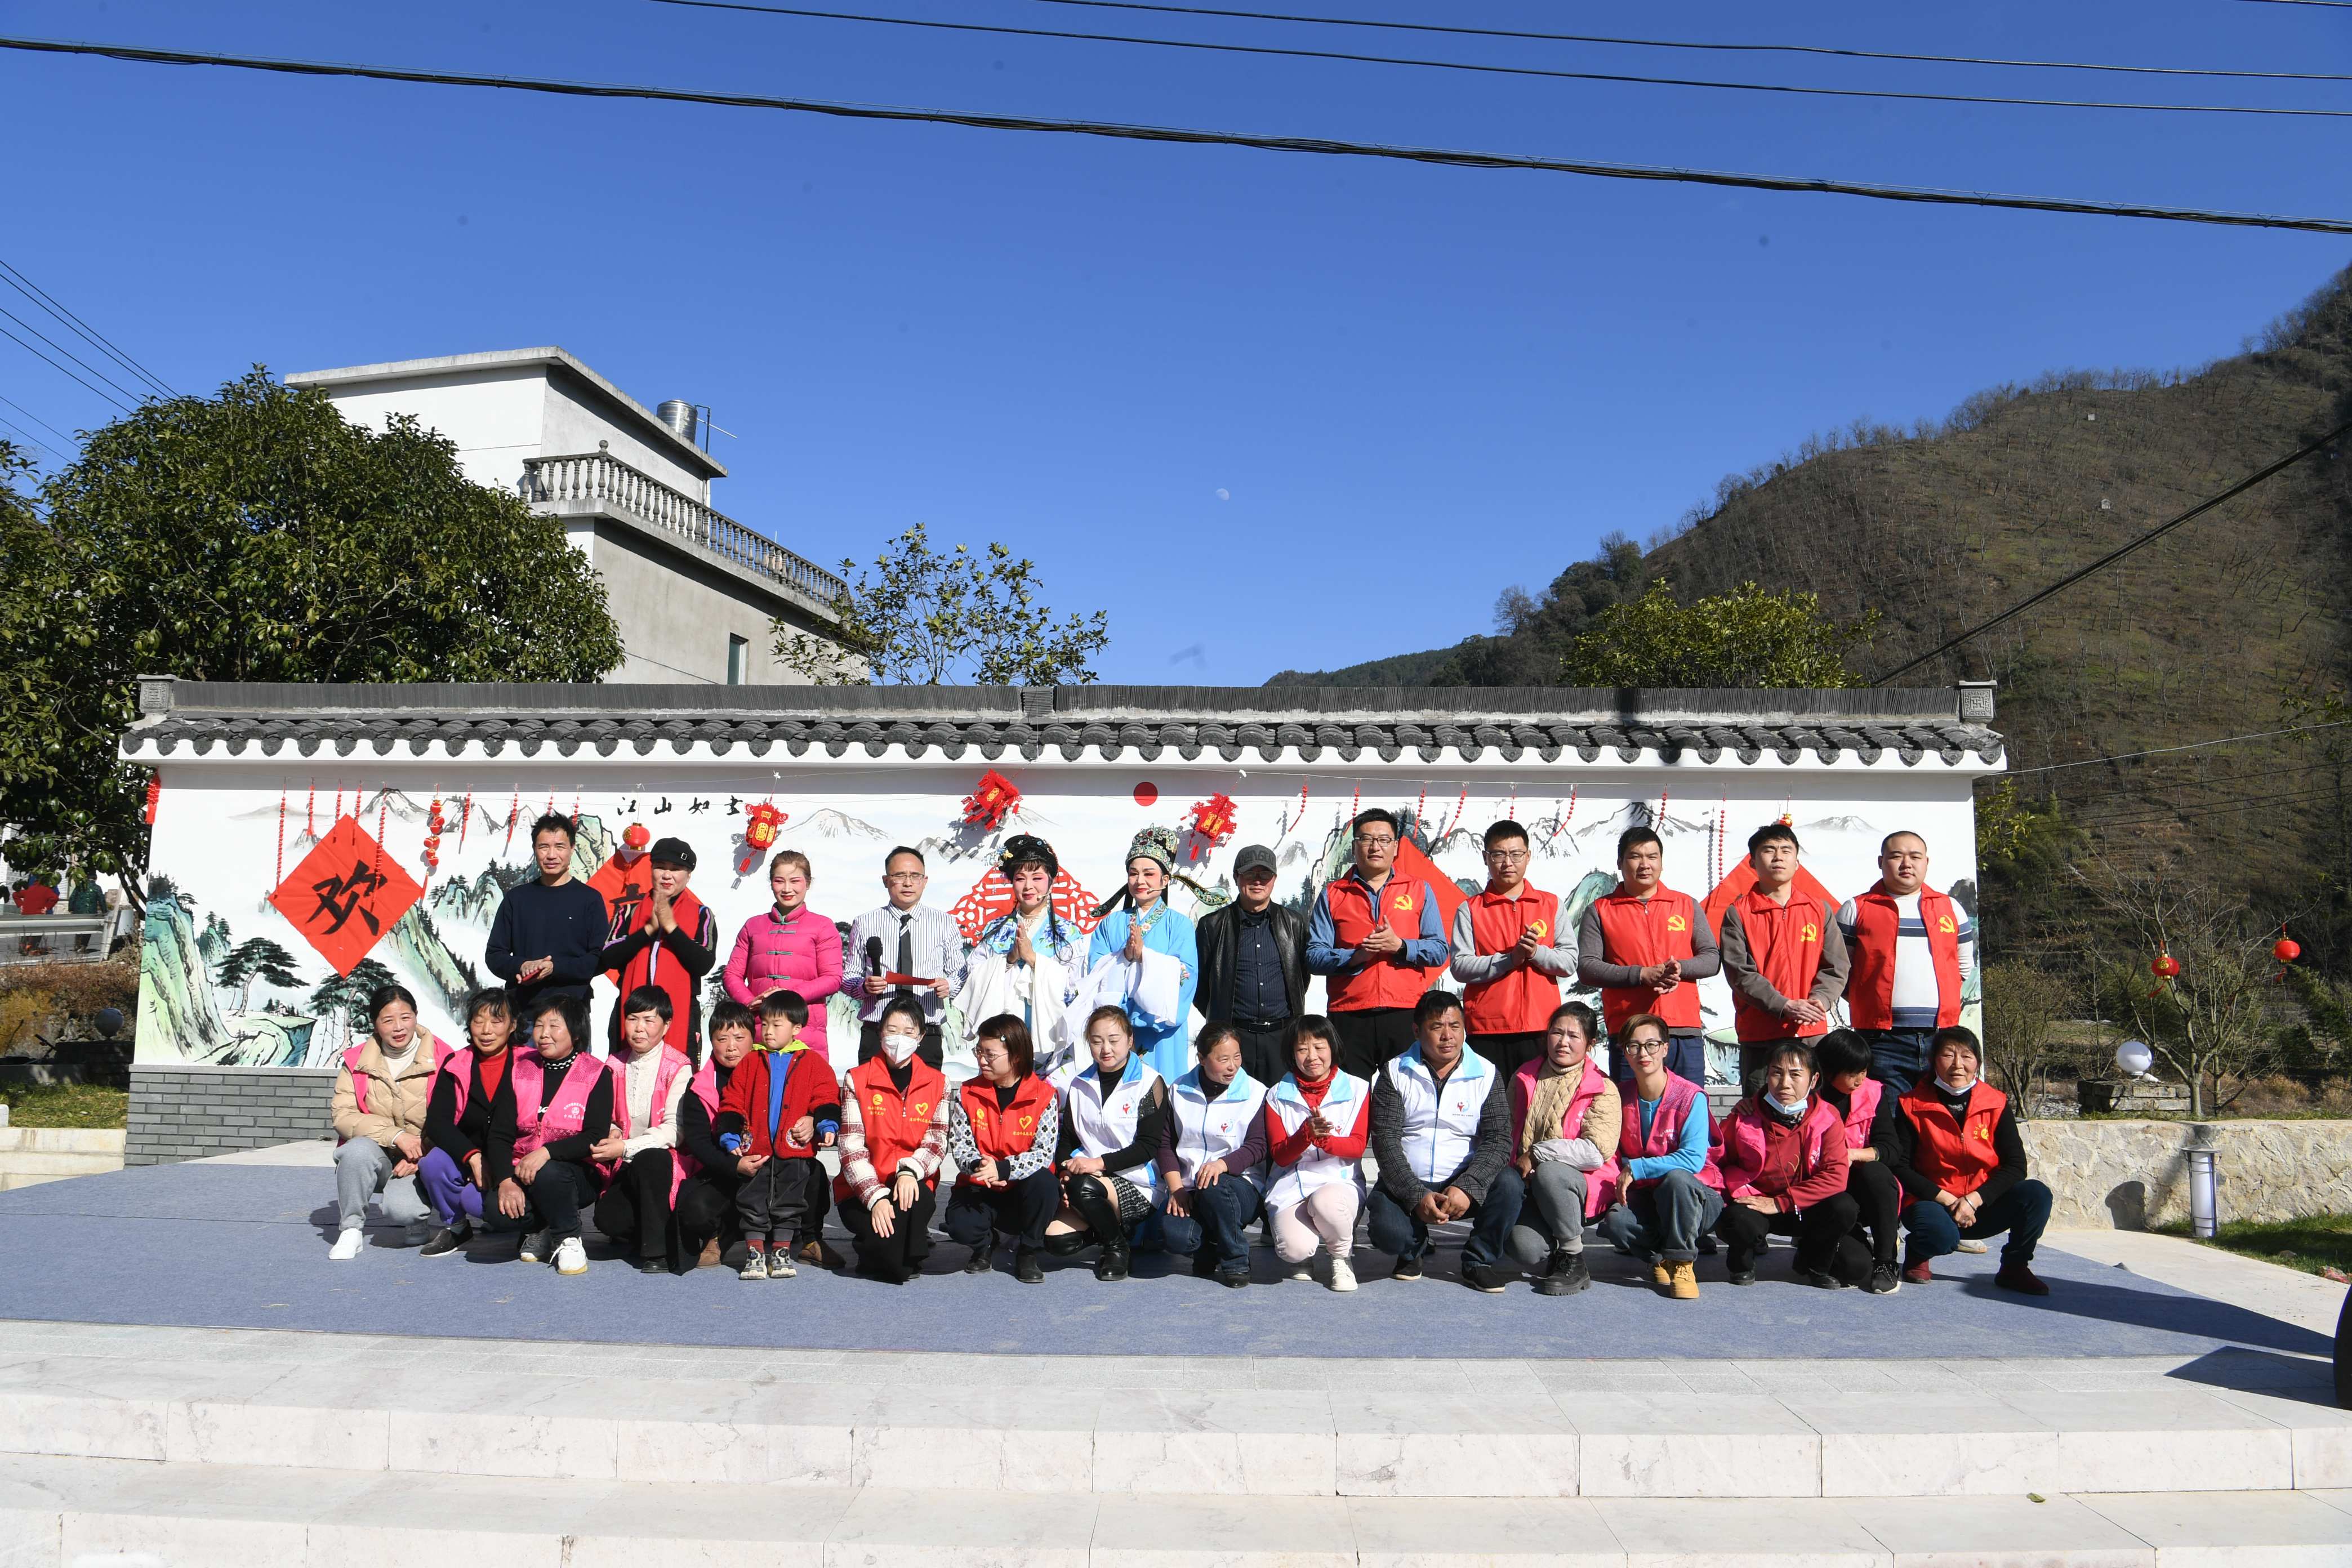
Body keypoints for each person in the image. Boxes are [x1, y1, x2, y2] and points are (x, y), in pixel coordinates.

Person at [1876, 1024, 2052, 1295]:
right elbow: (1900, 1166)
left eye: (1967, 1056)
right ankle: (1919, 1252)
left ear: (1977, 1063)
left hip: (1980, 1204)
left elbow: (2016, 1166)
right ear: (1933, 1061)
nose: (1958, 1065)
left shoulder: (1996, 1103)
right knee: (1941, 1237)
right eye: (1948, 1055)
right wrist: (1947, 1199)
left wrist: (1973, 1200)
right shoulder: (1910, 1105)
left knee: (2036, 1194)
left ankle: (2015, 1267)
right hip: (1932, 1202)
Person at [1368, 990, 1521, 1292]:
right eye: (1437, 1027)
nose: (1448, 1036)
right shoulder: (1394, 1071)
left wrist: (1469, 1186)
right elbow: (1385, 1140)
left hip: (1463, 1180)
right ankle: (1412, 1249)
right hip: (1409, 1180)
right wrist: (1415, 1195)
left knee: (1510, 1185)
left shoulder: (1486, 1073)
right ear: (1417, 1031)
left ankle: (1478, 1260)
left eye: (1455, 1026)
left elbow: (1499, 1138)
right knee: (1388, 1233)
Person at [1713, 1043, 1870, 1289]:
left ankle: (1813, 1263)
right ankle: (1741, 1264)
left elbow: (1836, 1176)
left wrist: (1781, 1202)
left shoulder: (1828, 1117)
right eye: (1777, 1073)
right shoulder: (1744, 1116)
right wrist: (1729, 1196)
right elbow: (1717, 1162)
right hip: (1757, 1203)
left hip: (1804, 1206)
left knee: (1849, 1233)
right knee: (1739, 1221)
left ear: (1813, 1079)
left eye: (1796, 1075)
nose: (1785, 1083)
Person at [1308, 809, 1447, 1079]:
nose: (1375, 847)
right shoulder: (1333, 894)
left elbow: (1439, 950)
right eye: (1366, 839)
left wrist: (1401, 947)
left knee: (1406, 1092)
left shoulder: (1419, 889)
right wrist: (1356, 956)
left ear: (1396, 848)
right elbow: (1314, 956)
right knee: (1351, 1095)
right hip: (1349, 1013)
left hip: (1405, 1012)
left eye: (1384, 840)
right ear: (1354, 847)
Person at [1837, 832, 1979, 1096]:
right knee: (1889, 1115)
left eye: (1915, 857)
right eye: (1896, 856)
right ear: (1881, 862)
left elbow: (1962, 967)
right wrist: (1868, 1000)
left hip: (1941, 1038)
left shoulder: (1950, 908)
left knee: (1936, 1115)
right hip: (1880, 1040)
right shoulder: (1856, 909)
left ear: (1927, 862)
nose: (1907, 864)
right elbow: (1840, 971)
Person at [1578, 826, 1720, 1088]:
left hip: (1682, 1029)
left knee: (1689, 1105)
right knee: (1632, 1109)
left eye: (1652, 857)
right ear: (1620, 862)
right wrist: (1641, 975)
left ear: (1662, 862)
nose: (1645, 864)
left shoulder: (1685, 905)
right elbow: (1587, 967)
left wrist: (1679, 968)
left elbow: (1711, 959)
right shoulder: (1600, 910)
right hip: (1630, 1032)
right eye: (1636, 857)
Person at [714, 990, 841, 1281]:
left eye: (777, 1025)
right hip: (756, 1151)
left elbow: (826, 1097)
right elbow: (733, 1100)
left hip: (794, 1151)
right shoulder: (751, 1062)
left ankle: (782, 1251)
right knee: (752, 1201)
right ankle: (755, 1253)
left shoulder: (813, 1062)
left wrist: (826, 1125)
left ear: (797, 1028)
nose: (769, 1031)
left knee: (790, 1202)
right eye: (765, 1024)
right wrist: (730, 1135)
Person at [482, 994, 612, 1277]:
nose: (544, 1034)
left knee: (549, 1172)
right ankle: (539, 1227)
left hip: (576, 1173)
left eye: (554, 1026)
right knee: (495, 1211)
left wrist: (546, 1153)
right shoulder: (520, 1070)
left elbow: (594, 1135)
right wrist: (505, 1181)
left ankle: (568, 1238)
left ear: (575, 1033)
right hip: (523, 1169)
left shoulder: (596, 1073)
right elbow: (500, 1134)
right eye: (540, 1025)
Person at [1597, 1013, 1725, 1301]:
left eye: (1652, 1045)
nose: (1643, 1053)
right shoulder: (1618, 1096)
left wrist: (1637, 1168)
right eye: (1634, 1046)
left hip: (1696, 1197)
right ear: (1624, 1053)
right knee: (1616, 1222)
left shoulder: (1691, 1096)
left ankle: (1681, 1262)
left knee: (1677, 1179)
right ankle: (1659, 1258)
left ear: (1665, 1048)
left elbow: (1693, 1160)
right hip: (1647, 1196)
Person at [1044, 1005, 1170, 1282]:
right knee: (1057, 1242)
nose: (1106, 1049)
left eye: (1114, 1040)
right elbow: (1067, 1140)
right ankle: (1114, 1231)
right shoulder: (1079, 1084)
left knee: (1084, 1187)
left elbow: (1148, 1146)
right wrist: (1064, 1173)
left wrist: (1098, 1164)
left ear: (1130, 1040)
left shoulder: (1151, 1083)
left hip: (1138, 1182)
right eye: (1097, 1041)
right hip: (1086, 1179)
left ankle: (1116, 1248)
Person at [1718, 823, 1850, 1085]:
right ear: (1753, 863)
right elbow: (1740, 974)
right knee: (1760, 1107)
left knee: (1811, 1106)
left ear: (1797, 862)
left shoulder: (1818, 910)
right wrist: (1784, 1006)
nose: (1778, 857)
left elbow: (1836, 966)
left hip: (1810, 1032)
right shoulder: (1738, 912)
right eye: (1769, 850)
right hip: (1760, 1034)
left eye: (1786, 850)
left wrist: (1820, 1001)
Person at [1503, 1002, 1620, 1297]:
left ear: (1590, 1044)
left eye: (1574, 1036)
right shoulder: (1524, 1076)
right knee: (1523, 1247)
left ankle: (1572, 1256)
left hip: (1578, 1186)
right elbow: (1506, 1130)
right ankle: (1554, 1248)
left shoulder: (1602, 1087)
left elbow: (1596, 1152)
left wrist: (1538, 1153)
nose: (1563, 1042)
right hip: (1529, 1186)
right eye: (1557, 1033)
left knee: (1551, 1172)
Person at [1248, 1015, 1369, 1292]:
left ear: (1333, 1047)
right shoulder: (1276, 1094)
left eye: (1319, 1047)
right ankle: (1305, 1254)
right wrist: (1305, 1135)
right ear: (1292, 1054)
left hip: (1338, 1182)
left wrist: (1325, 1141)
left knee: (1327, 1204)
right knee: (1293, 1250)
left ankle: (1341, 1257)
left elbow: (1357, 1146)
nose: (1312, 1056)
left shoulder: (1358, 1088)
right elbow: (1280, 1156)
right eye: (1302, 1049)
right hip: (1292, 1185)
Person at [834, 996, 951, 1284]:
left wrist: (910, 1171)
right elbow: (851, 1148)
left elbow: (936, 1141)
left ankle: (895, 1249)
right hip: (862, 1190)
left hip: (911, 1185)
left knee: (900, 1254)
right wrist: (875, 1197)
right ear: (880, 1032)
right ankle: (894, 1248)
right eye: (892, 1030)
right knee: (898, 1266)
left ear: (921, 1037)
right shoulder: (856, 1079)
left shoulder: (939, 1083)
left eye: (909, 1032)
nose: (900, 1039)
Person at [327, 983, 446, 1258]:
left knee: (403, 1211)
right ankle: (351, 1230)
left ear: (416, 1016)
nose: (398, 1027)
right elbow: (343, 1115)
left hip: (424, 1156)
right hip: (379, 1154)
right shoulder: (356, 1062)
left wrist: (423, 1153)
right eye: (388, 1020)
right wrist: (395, 1136)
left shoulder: (444, 1058)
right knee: (355, 1151)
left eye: (405, 1018)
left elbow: (456, 1117)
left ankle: (417, 1218)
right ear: (375, 1024)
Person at [1450, 820, 1575, 1080]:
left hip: (1541, 1026)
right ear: (1486, 858)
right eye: (1499, 855)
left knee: (1536, 1102)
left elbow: (1569, 962)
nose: (1508, 863)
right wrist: (1510, 959)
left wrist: (1536, 953)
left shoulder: (1550, 904)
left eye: (1516, 854)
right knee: (1493, 1103)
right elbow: (1460, 966)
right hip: (1488, 1029)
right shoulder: (1470, 909)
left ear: (1528, 856)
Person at [957, 836, 1089, 1079]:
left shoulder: (1068, 933)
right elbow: (973, 977)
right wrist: (1008, 960)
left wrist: (1034, 960)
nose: (1028, 887)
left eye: (1037, 878)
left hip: (1049, 1036)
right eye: (1020, 878)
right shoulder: (995, 930)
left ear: (1051, 881)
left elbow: (1076, 989)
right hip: (1002, 1037)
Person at [945, 1013, 1061, 1284]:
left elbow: (1044, 1153)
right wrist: (980, 1166)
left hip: (1021, 1189)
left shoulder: (1044, 1096)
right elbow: (960, 1145)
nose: (982, 1060)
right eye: (979, 1052)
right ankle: (984, 1245)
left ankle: (1028, 1251)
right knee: (958, 1225)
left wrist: (1004, 1169)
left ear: (1017, 1056)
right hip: (980, 1184)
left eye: (990, 1054)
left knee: (1045, 1184)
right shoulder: (967, 1093)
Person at [590, 986, 695, 1275]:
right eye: (633, 1019)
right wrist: (612, 1130)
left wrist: (625, 1146)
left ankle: (656, 1252)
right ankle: (646, 1230)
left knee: (652, 1159)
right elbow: (606, 1115)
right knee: (608, 1221)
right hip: (623, 1163)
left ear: (666, 1025)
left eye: (649, 1020)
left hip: (663, 1162)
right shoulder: (613, 1064)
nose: (639, 1029)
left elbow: (675, 1131)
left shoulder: (679, 1066)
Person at [1156, 1022, 1269, 1287]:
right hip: (1191, 1186)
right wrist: (1176, 1189)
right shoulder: (1178, 1090)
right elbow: (1165, 1144)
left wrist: (1223, 1164)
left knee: (1214, 1186)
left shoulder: (1256, 1092)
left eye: (1237, 1057)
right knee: (1176, 1236)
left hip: (1240, 1186)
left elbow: (1259, 1145)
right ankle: (1208, 1247)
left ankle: (1236, 1261)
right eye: (1223, 1059)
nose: (1233, 1066)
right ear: (1202, 1059)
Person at [1086, 828, 1199, 1083]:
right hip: (1116, 1032)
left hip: (1161, 1033)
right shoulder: (1110, 924)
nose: (1140, 881)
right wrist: (1124, 958)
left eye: (1149, 874)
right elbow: (1095, 972)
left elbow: (1186, 976)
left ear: (1165, 880)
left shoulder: (1179, 925)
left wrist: (1144, 958)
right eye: (1133, 873)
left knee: (1161, 1094)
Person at [1192, 844, 1309, 1088]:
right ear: (1237, 877)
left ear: (1274, 879)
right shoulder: (1212, 925)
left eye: (1264, 874)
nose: (1258, 881)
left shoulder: (1294, 923)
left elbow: (1301, 978)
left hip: (1282, 1038)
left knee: (1280, 1104)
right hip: (1234, 1039)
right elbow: (1200, 987)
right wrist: (1222, 1022)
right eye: (1250, 874)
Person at [843, 846, 969, 1070]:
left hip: (925, 1031)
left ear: (925, 881)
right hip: (878, 1030)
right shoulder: (865, 923)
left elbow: (960, 973)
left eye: (915, 876)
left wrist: (949, 985)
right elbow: (848, 977)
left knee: (925, 1092)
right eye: (899, 876)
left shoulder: (945, 923)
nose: (908, 883)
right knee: (872, 1091)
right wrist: (864, 987)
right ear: (886, 881)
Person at [417, 988, 521, 1257]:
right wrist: (473, 1156)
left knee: (478, 1204)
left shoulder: (529, 1063)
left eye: (497, 1021)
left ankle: (534, 1228)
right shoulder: (456, 1063)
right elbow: (438, 1123)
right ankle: (456, 1227)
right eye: (478, 1021)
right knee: (433, 1163)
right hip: (466, 1154)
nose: (486, 1030)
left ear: (513, 1025)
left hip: (513, 1158)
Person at [599, 837, 718, 1059]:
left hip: (681, 1011)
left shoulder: (702, 914)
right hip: (631, 1009)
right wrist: (647, 930)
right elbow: (609, 958)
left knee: (678, 1075)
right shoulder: (629, 911)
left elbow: (703, 963)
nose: (667, 875)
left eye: (676, 869)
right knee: (622, 1072)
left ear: (688, 875)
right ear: (651, 869)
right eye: (661, 867)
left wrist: (672, 928)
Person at [725, 849, 846, 1057]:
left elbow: (833, 979)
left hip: (805, 1030)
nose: (787, 889)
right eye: (779, 881)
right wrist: (748, 1001)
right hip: (759, 1028)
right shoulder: (753, 926)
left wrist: (789, 996)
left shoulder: (823, 926)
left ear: (808, 883)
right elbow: (732, 975)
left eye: (795, 881)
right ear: (771, 883)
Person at [484, 814, 611, 1010]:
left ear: (572, 848)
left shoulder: (590, 899)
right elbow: (494, 955)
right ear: (535, 849)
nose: (551, 855)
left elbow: (600, 959)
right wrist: (522, 966)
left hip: (571, 1011)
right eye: (544, 847)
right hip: (522, 1009)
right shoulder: (517, 898)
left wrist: (555, 968)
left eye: (560, 847)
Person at [1816, 1028, 1903, 1294]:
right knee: (1853, 1268)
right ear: (1829, 1071)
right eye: (1853, 1073)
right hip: (1827, 1195)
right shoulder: (1807, 1096)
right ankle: (1826, 1247)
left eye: (1864, 1071)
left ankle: (1886, 1260)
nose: (1860, 1079)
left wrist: (1853, 1154)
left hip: (1864, 1188)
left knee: (1877, 1173)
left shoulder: (1873, 1093)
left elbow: (1891, 1149)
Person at [674, 1000, 758, 1270]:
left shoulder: (773, 1072)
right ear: (712, 1041)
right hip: (722, 1169)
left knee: (812, 1175)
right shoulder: (699, 1086)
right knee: (694, 1208)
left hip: (767, 1164)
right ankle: (717, 1236)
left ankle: (808, 1241)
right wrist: (735, 1166)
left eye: (739, 1038)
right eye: (723, 1039)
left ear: (753, 1039)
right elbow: (698, 1142)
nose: (731, 1047)